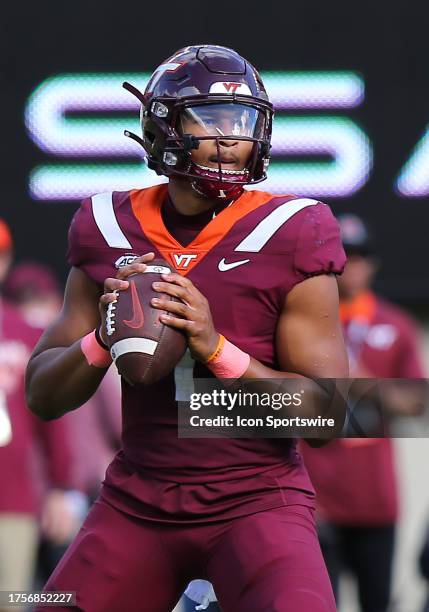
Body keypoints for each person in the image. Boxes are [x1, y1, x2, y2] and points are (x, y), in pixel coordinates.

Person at [26, 45, 348, 612]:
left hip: (257, 501)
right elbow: (41, 394)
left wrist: (216, 348)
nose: (230, 138)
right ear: (164, 128)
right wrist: (103, 339)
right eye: (211, 120)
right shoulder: (105, 226)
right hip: (137, 500)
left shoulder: (295, 229)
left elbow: (326, 417)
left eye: (243, 122)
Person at [301, 213, 426, 612]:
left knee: (377, 601)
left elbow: (416, 402)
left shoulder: (396, 325)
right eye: (343, 256)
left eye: (360, 257)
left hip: (373, 497)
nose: (351, 266)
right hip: (314, 498)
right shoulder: (301, 323)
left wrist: (356, 379)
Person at [0, 221, 80, 612]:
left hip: (11, 497)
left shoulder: (26, 332)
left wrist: (62, 487)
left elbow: (50, 414)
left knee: (10, 600)